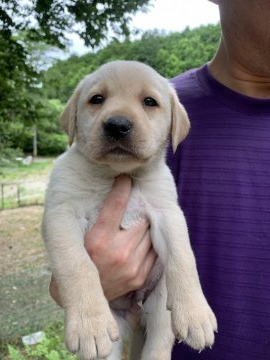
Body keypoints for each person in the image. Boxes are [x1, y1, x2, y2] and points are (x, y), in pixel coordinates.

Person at [50, 0, 270, 359]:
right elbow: (64, 235)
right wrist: (80, 290)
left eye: (148, 103)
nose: (119, 120)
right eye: (97, 100)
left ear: (174, 126)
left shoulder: (169, 123)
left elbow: (170, 225)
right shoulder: (175, 101)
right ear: (73, 118)